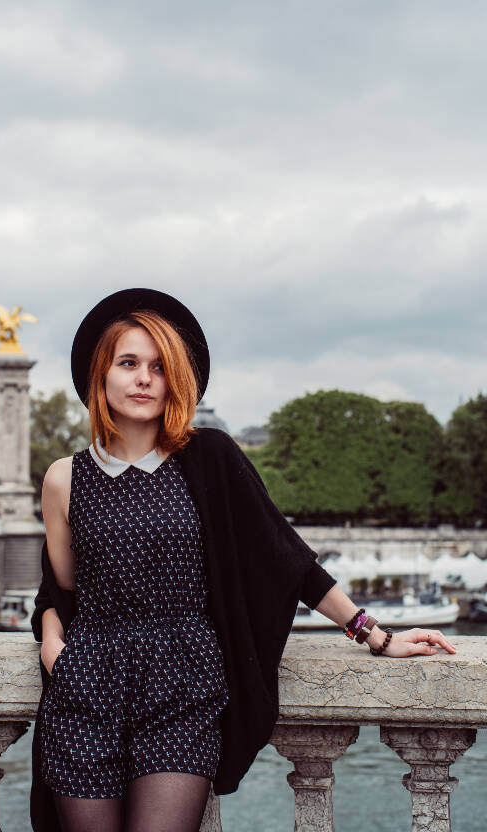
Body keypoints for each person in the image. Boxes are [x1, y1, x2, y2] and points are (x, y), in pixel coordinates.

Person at [30, 288, 456, 832]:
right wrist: (50, 634)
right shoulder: (63, 478)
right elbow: (62, 583)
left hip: (180, 685)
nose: (143, 379)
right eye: (128, 363)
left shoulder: (207, 457)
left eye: (159, 367)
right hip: (87, 685)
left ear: (175, 380)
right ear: (101, 375)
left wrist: (374, 632)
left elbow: (284, 559)